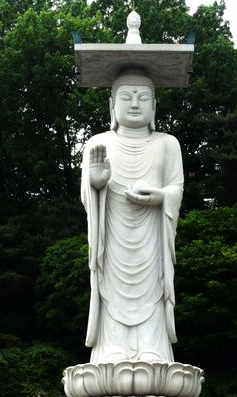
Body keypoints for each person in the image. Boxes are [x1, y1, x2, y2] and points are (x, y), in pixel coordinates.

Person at [81, 68, 184, 363]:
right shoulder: (98, 144)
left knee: (152, 289)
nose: (135, 104)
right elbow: (87, 197)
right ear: (112, 106)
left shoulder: (168, 143)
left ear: (154, 106)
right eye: (126, 97)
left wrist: (162, 196)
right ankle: (112, 351)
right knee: (110, 289)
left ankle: (153, 349)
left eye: (143, 97)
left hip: (152, 238)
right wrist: (96, 184)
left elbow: (176, 188)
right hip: (112, 238)